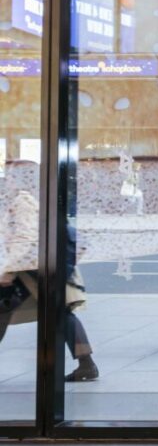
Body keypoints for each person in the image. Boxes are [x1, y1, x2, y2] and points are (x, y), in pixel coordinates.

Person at [0, 160, 98, 381]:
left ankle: (87, 364)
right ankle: (87, 364)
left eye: (13, 175)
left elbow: (25, 238)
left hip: (31, 267)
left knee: (58, 313)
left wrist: (9, 271)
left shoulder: (23, 201)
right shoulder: (39, 196)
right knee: (61, 313)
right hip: (39, 265)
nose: (8, 179)